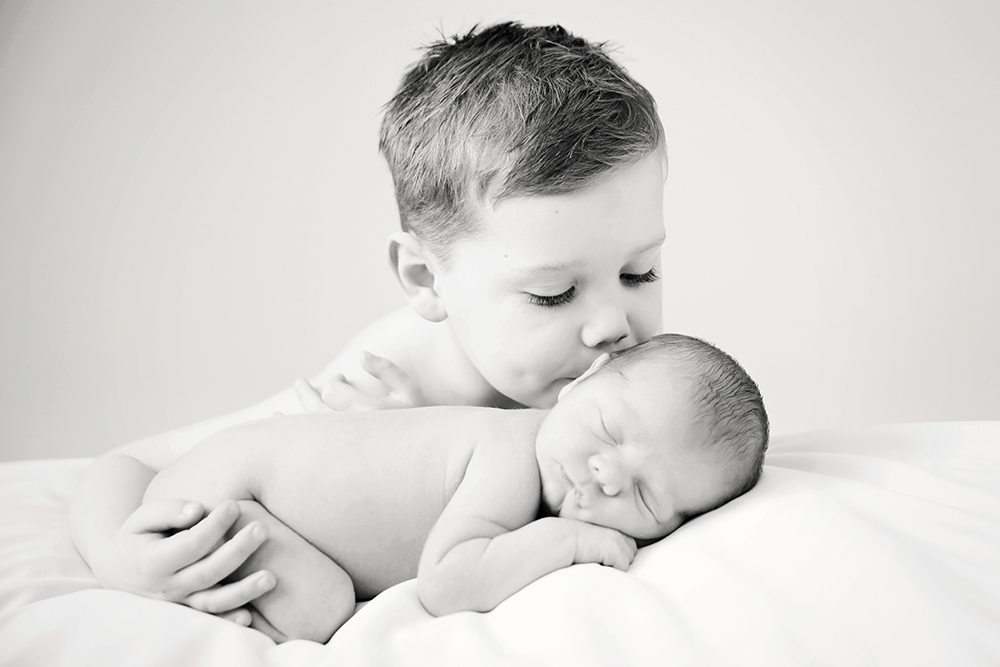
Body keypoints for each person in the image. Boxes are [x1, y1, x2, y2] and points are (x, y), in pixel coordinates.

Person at [70, 21, 670, 625]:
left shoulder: (619, 381)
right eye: (554, 292)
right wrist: (115, 556)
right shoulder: (375, 384)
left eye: (640, 272)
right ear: (426, 280)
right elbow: (129, 464)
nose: (611, 325)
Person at [142, 334, 769, 642]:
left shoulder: (539, 453)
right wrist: (568, 542)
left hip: (240, 481)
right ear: (582, 383)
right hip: (237, 493)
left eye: (645, 497)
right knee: (322, 610)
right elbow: (447, 583)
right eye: (607, 428)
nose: (608, 474)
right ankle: (125, 552)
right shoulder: (510, 453)